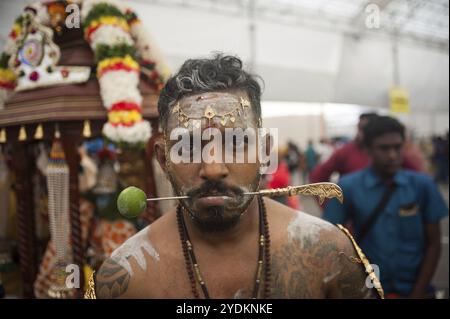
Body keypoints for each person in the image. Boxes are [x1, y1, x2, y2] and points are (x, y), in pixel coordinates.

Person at [88, 54, 382, 299]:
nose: (214, 169)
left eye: (236, 143)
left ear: (265, 151)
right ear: (164, 160)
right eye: (189, 147)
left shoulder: (328, 252)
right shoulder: (127, 277)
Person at [323, 116, 448, 298]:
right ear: (367, 149)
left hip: (416, 288)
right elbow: (329, 241)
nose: (392, 155)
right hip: (369, 289)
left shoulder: (423, 186)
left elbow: (434, 243)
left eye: (397, 147)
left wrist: (418, 292)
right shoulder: (348, 187)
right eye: (384, 148)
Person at [310, 113, 423, 183]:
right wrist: (331, 204)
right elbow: (318, 176)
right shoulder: (345, 152)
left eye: (366, 128)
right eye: (360, 128)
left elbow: (418, 177)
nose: (391, 155)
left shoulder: (393, 151)